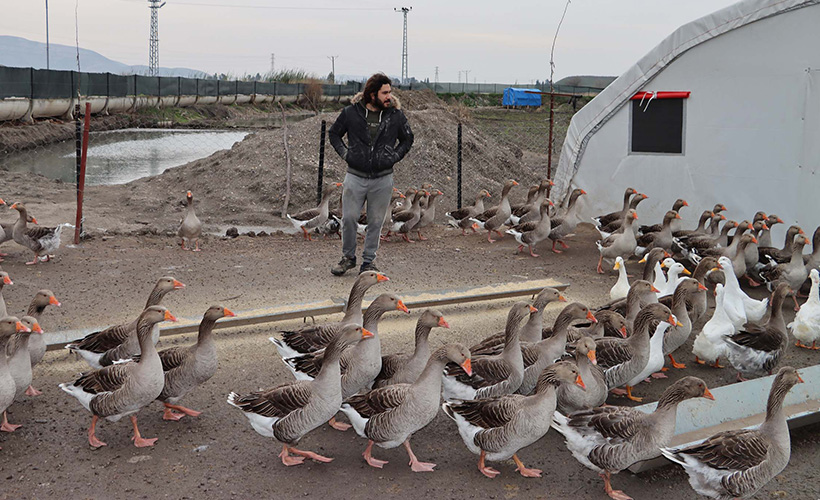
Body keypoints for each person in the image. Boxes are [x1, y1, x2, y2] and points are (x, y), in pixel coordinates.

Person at [328, 73, 414, 275]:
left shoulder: (396, 116)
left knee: (376, 221)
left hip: (383, 179)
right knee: (349, 218)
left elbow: (408, 139)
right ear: (372, 94)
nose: (389, 97)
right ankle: (348, 258)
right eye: (385, 93)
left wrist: (393, 156)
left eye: (390, 92)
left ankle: (369, 262)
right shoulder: (351, 113)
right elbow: (334, 133)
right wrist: (346, 154)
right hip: (355, 176)